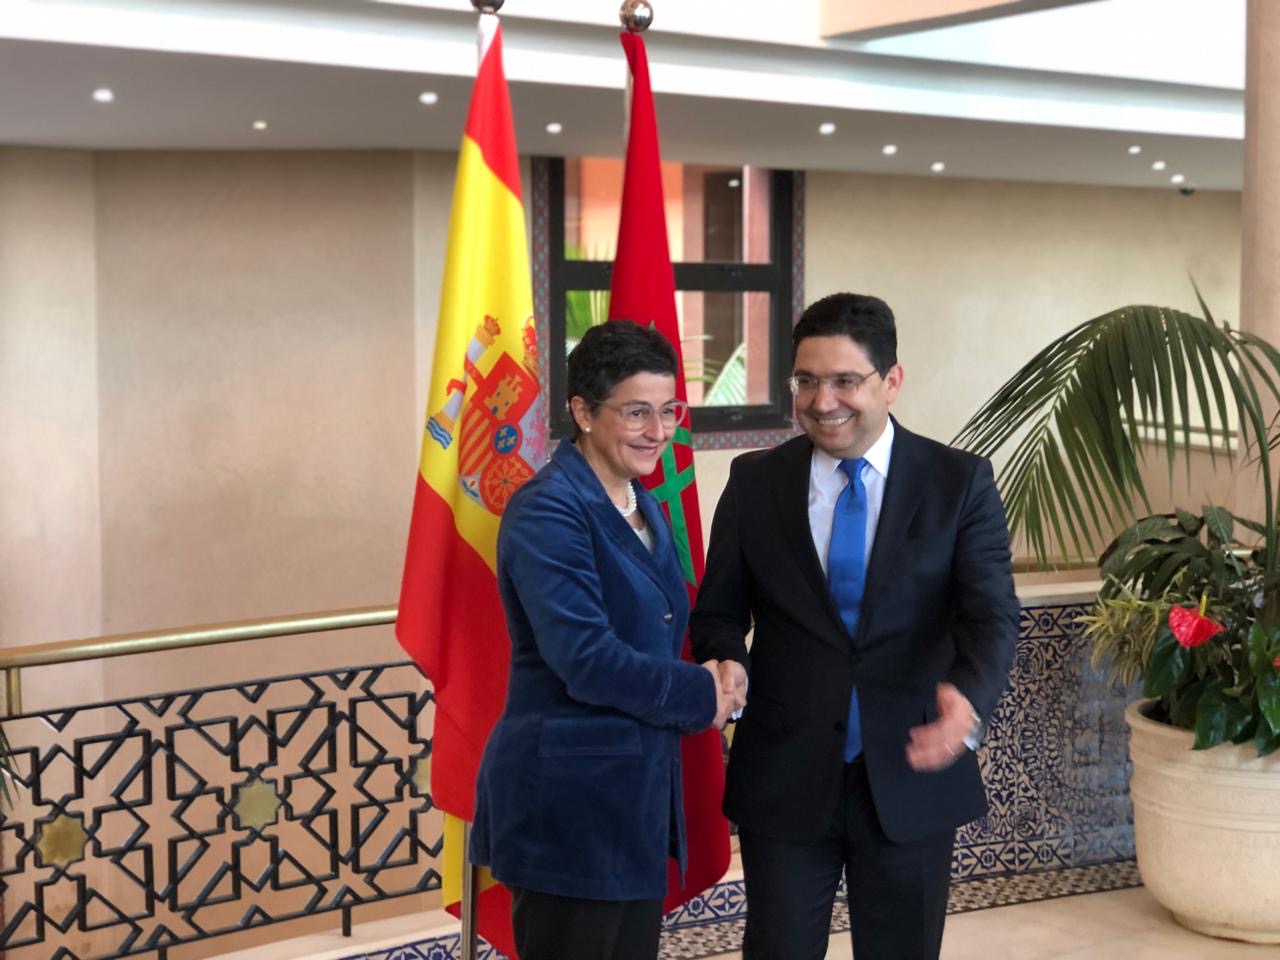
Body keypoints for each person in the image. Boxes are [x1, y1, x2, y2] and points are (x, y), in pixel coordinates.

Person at [690, 293, 1019, 959]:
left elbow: (991, 614)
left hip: (912, 772)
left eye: (844, 380)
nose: (823, 401)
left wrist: (969, 701)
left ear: (891, 381)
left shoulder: (957, 482)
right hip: (785, 774)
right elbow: (719, 612)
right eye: (806, 381)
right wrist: (726, 659)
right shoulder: (755, 482)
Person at [470, 319, 744, 960]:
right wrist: (701, 692)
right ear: (583, 412)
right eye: (637, 412)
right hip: (568, 808)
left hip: (634, 803)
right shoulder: (547, 509)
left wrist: (724, 666)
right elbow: (585, 658)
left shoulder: (639, 498)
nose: (659, 431)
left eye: (669, 411)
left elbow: (659, 623)